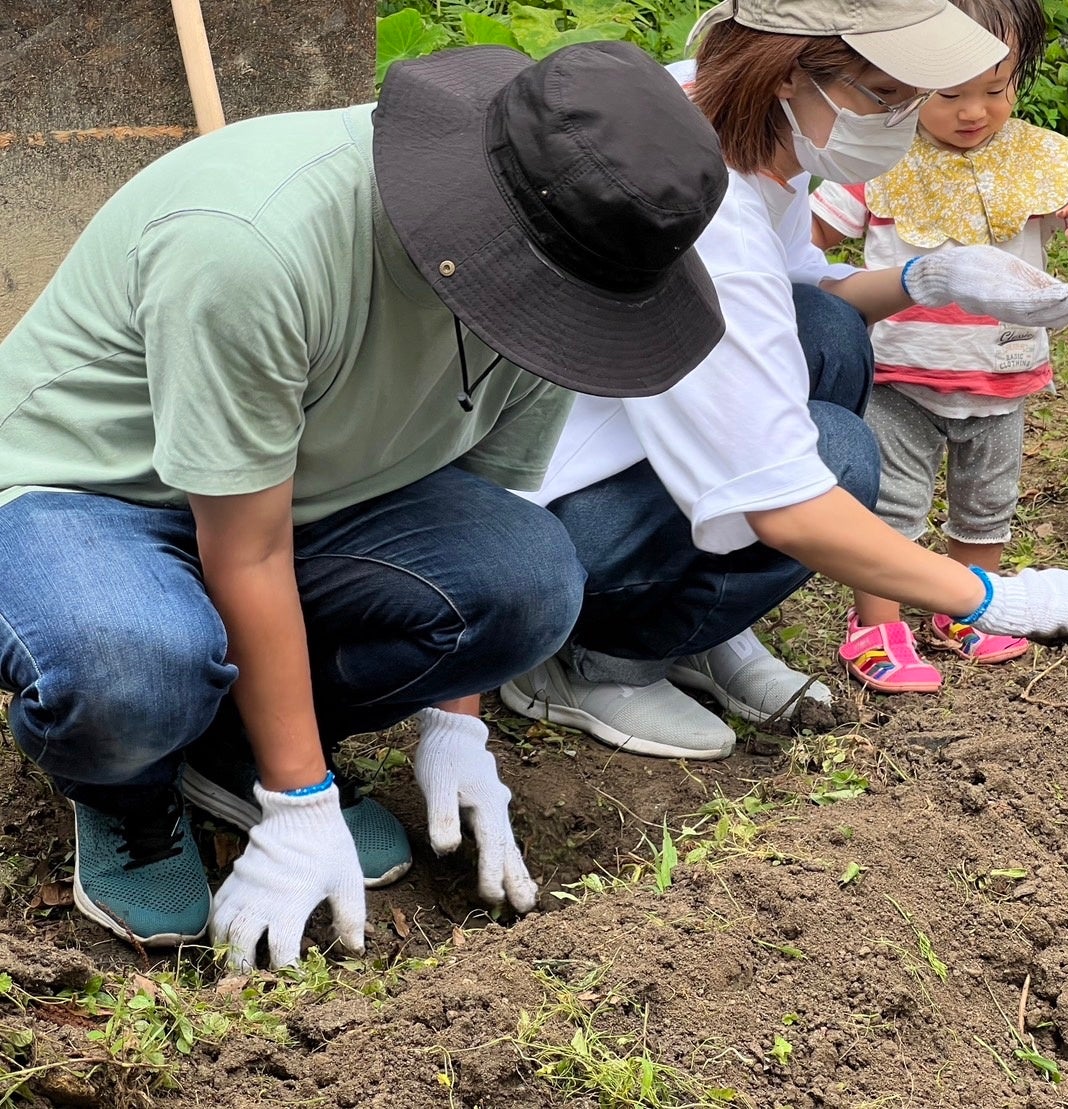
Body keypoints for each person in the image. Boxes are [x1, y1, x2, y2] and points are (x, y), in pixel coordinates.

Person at [0, 42, 730, 967]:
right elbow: (244, 549)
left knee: (528, 578)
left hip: (303, 499)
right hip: (89, 490)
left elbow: (481, 497)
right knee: (132, 667)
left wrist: (456, 721)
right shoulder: (253, 244)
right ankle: (132, 788)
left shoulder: (563, 277)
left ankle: (227, 752)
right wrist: (300, 804)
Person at [499, 0, 1068, 760]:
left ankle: (704, 628)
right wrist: (999, 598)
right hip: (552, 524)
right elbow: (782, 502)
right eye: (885, 95)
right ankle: (598, 660)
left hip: (610, 439)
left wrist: (930, 277)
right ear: (788, 72)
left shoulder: (730, 116)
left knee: (827, 332)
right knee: (839, 456)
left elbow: (800, 293)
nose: (903, 119)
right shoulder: (708, 214)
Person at [810, 0, 1068, 693]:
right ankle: (875, 624)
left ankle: (963, 605)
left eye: (996, 88)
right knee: (892, 502)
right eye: (950, 93)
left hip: (1002, 372)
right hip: (901, 372)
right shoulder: (878, 156)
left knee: (984, 503)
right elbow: (810, 235)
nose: (973, 111)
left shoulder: (1039, 157)